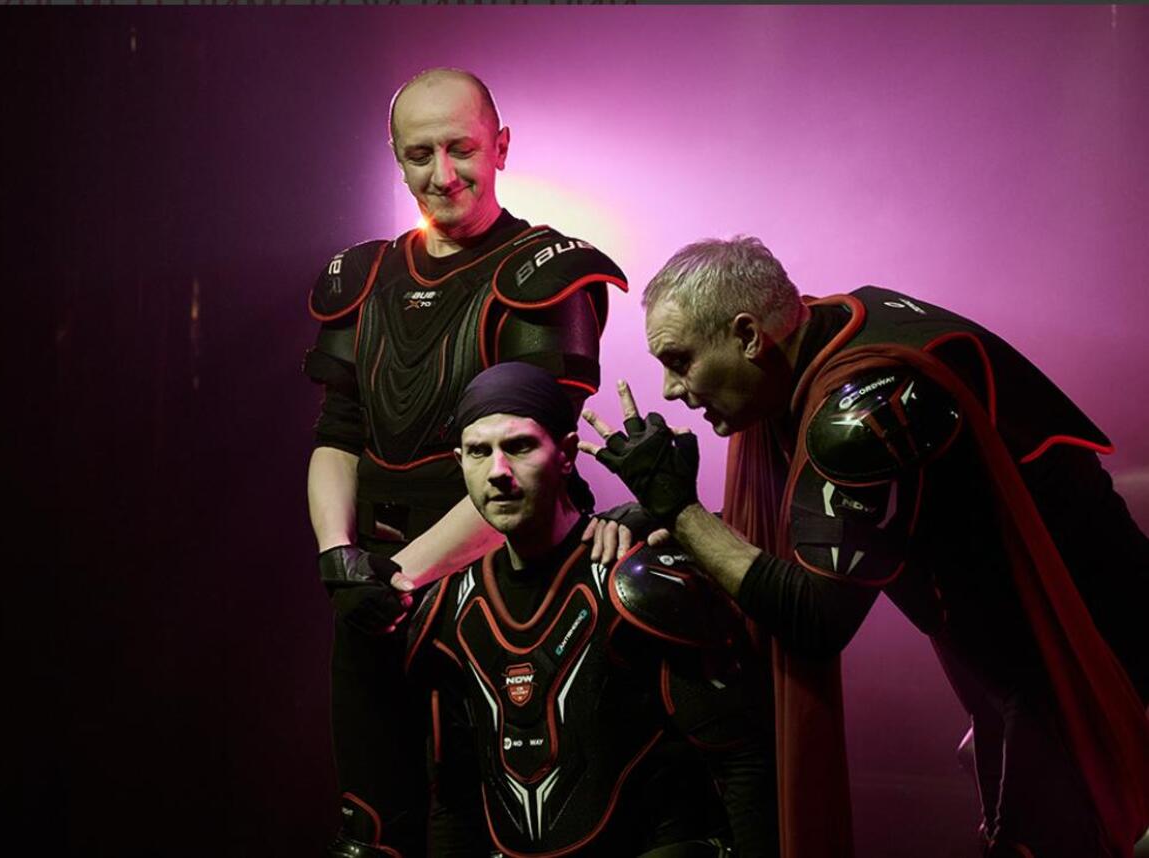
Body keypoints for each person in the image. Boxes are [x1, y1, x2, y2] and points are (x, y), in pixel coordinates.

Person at [579, 236, 1149, 858]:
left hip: (1085, 661)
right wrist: (663, 514)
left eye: (679, 360)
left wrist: (681, 510)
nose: (669, 389)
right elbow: (817, 529)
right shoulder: (826, 334)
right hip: (1018, 651)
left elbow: (815, 616)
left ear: (747, 336)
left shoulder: (863, 409)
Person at [303, 69, 627, 857]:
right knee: (371, 828)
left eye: (462, 149)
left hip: (510, 590)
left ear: (501, 146)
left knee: (507, 825)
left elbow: (526, 465)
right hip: (375, 588)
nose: (443, 174)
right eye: (421, 154)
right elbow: (338, 433)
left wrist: (396, 576)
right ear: (395, 156)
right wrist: (340, 559)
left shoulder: (545, 274)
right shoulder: (362, 277)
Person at [405, 362, 778, 857]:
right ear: (459, 461)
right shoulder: (448, 610)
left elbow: (742, 761)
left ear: (565, 454)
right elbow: (453, 800)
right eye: (479, 451)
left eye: (519, 446)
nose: (497, 471)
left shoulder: (639, 580)